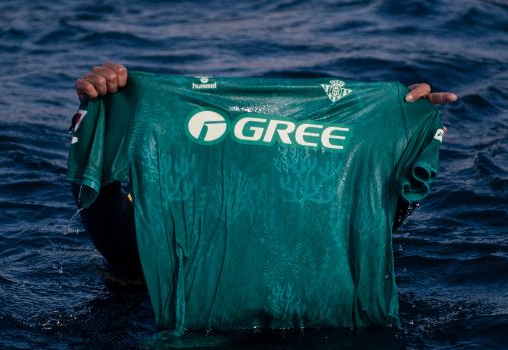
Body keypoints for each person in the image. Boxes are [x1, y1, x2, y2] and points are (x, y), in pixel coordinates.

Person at [71, 62, 457, 269]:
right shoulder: (148, 255)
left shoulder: (309, 245)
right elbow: (99, 201)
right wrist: (96, 116)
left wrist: (406, 137)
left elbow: (375, 209)